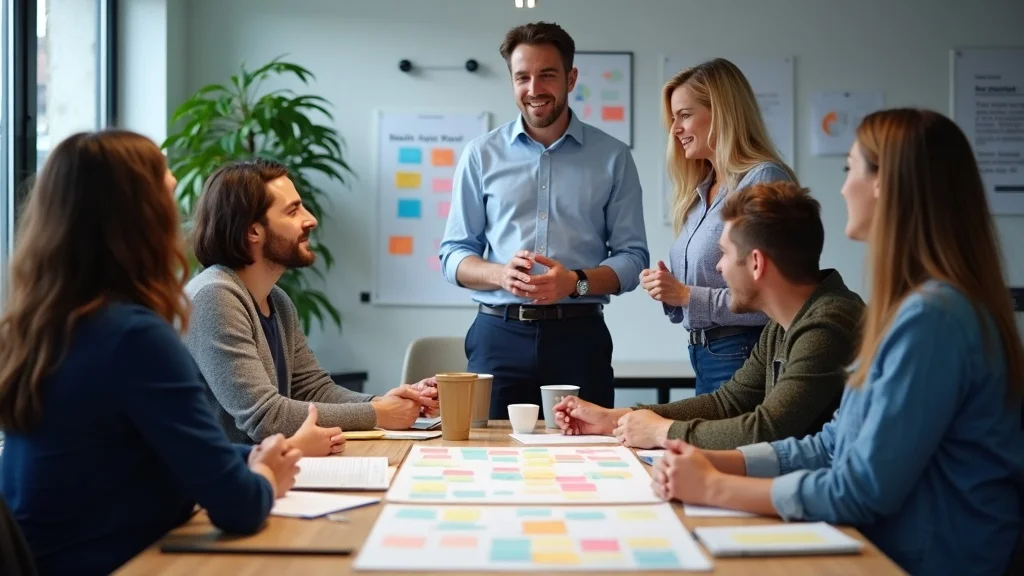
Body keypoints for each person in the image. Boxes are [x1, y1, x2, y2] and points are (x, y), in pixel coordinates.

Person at [652, 108, 1024, 576]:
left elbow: (860, 489)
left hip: (922, 561)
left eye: (851, 169)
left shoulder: (933, 319)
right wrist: (712, 461)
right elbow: (832, 446)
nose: (844, 188)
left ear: (885, 184)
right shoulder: (913, 307)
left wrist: (714, 487)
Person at [0, 130, 300, 575]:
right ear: (142, 221)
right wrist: (268, 476)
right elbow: (238, 507)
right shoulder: (132, 337)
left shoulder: (39, 326)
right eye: (170, 201)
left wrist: (249, 460)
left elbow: (160, 452)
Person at [439, 21, 649, 417]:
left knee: (587, 449)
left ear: (571, 78)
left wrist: (575, 281)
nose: (534, 89)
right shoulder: (480, 155)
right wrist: (500, 274)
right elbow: (453, 255)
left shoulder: (613, 157)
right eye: (522, 77)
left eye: (547, 75)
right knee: (485, 449)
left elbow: (633, 258)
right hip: (497, 336)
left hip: (579, 337)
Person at [555, 181, 864, 449]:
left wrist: (662, 431)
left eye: (724, 253)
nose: (719, 267)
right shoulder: (782, 324)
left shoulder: (827, 324)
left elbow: (768, 429)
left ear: (756, 263)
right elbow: (727, 403)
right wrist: (617, 418)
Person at [183, 159, 438, 454]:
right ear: (253, 231)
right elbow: (267, 418)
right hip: (221, 477)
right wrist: (378, 413)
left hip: (268, 467)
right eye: (293, 211)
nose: (311, 219)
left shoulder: (277, 300)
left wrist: (383, 404)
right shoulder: (214, 296)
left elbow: (313, 389)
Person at [644, 58, 798, 396]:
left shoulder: (764, 180)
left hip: (745, 352)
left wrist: (685, 294)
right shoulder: (701, 191)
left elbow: (774, 294)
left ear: (722, 114)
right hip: (704, 353)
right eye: (673, 119)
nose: (675, 129)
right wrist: (668, 289)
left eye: (684, 115)